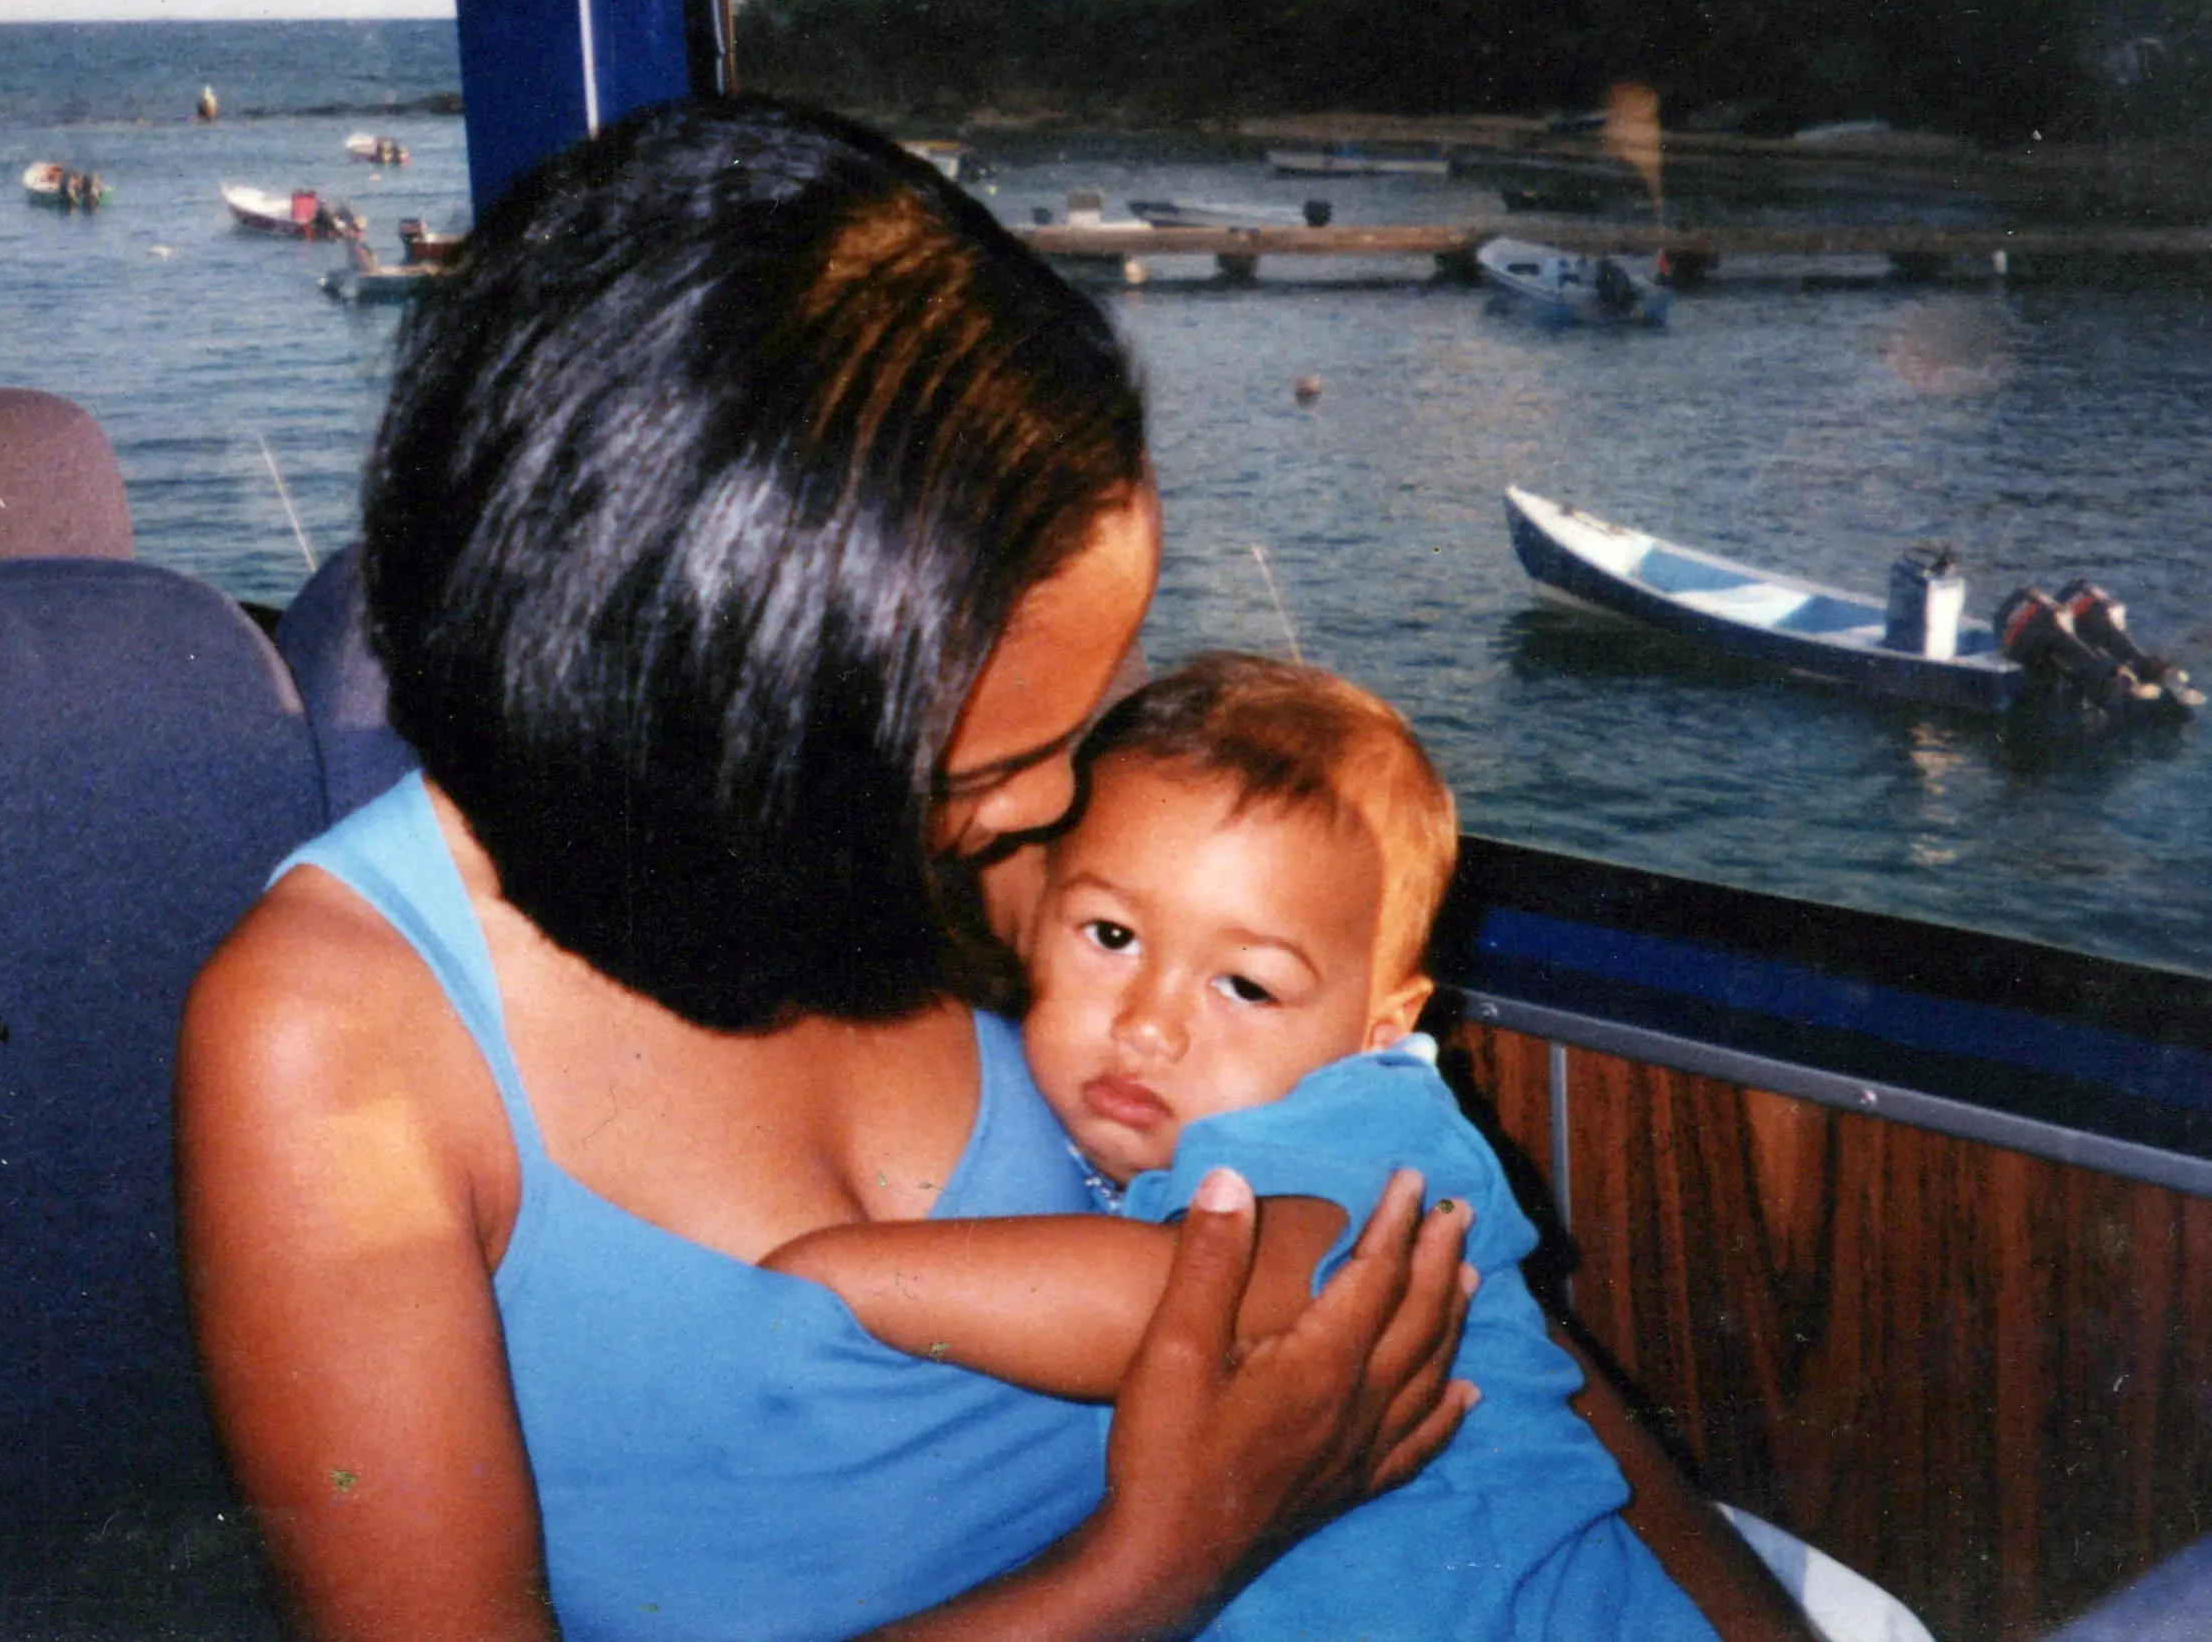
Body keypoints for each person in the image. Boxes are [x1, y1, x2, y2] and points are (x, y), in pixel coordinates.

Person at [177, 98, 1484, 1642]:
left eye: (1074, 723)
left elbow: (1467, 1292)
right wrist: (1149, 1569)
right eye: (981, 770)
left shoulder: (997, 847)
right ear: (727, 729)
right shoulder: (330, 1039)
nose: (1051, 810)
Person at [764, 653, 1801, 1640]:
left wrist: (848, 1273)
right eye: (1110, 936)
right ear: (1033, 919)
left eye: (1244, 985)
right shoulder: (1160, 1126)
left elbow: (1181, 1298)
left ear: (1377, 1028)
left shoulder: (1373, 1126)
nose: (1147, 1024)